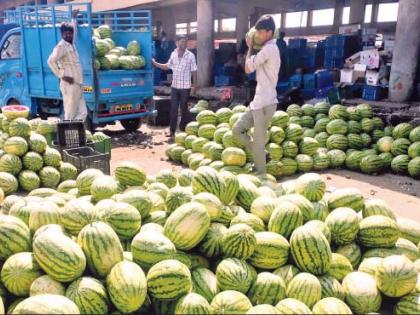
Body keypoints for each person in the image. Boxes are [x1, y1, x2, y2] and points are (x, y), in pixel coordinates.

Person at [232, 15, 280, 175]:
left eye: (260, 32)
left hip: (265, 104)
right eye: (256, 32)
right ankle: (262, 154)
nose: (257, 35)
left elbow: (247, 68)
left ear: (269, 32)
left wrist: (250, 47)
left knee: (259, 142)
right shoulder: (268, 49)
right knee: (237, 131)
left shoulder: (269, 49)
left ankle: (261, 177)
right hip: (258, 103)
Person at [152, 35, 197, 137]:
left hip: (186, 87)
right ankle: (172, 131)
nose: (184, 43)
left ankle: (183, 128)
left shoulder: (190, 55)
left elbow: (194, 70)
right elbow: (167, 66)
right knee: (173, 109)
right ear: (177, 43)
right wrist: (155, 63)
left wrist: (195, 85)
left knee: (184, 109)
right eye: (181, 42)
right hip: (175, 87)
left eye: (185, 42)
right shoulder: (173, 54)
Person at [47, 9, 87, 121]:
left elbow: (75, 31)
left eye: (70, 33)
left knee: (83, 113)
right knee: (70, 113)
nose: (69, 35)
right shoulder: (61, 47)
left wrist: (73, 18)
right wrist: (62, 75)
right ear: (62, 34)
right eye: (66, 33)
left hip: (78, 84)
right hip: (69, 85)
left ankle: (75, 132)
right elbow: (50, 61)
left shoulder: (71, 44)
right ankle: (68, 135)